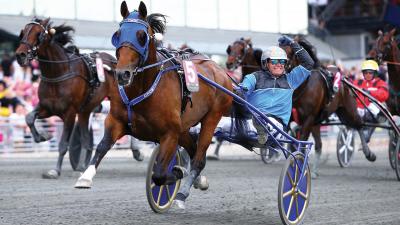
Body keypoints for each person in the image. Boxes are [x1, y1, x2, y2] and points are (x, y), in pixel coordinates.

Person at [239, 35, 314, 155]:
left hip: (276, 125)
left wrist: (293, 44)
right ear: (266, 63)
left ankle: (261, 126)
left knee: (262, 120)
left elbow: (309, 63)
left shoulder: (291, 79)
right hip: (249, 122)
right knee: (220, 124)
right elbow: (244, 88)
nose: (279, 64)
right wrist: (241, 90)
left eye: (282, 61)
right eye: (274, 61)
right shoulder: (254, 77)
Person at [353, 59, 389, 142]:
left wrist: (370, 92)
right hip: (359, 110)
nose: (368, 75)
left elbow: (384, 95)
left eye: (370, 73)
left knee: (372, 106)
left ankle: (368, 132)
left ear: (375, 73)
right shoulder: (357, 82)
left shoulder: (380, 83)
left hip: (373, 113)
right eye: (366, 73)